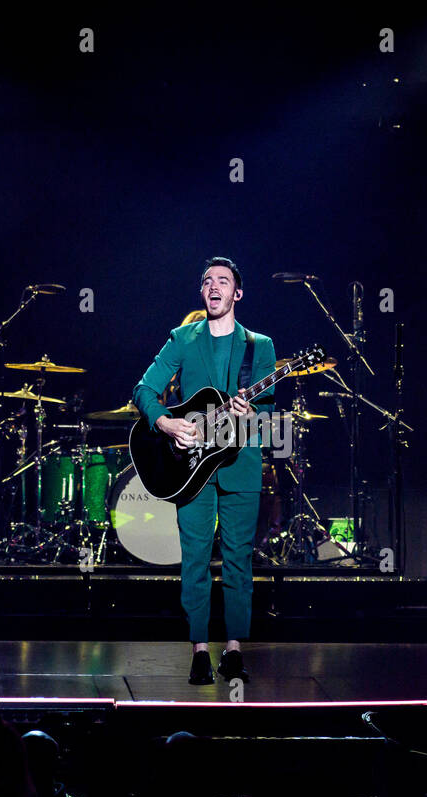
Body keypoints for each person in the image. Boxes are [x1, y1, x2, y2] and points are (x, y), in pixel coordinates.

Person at [132, 257, 275, 685]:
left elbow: (267, 416)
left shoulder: (260, 346)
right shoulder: (182, 338)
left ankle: (233, 651)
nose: (215, 287)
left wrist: (251, 413)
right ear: (202, 292)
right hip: (190, 468)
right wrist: (165, 422)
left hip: (242, 466)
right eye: (208, 281)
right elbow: (143, 389)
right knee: (194, 559)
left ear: (238, 293)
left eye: (224, 281)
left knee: (238, 561)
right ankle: (198, 651)